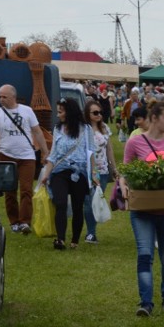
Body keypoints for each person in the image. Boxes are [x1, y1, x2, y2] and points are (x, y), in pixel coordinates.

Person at [119, 101, 164, 316]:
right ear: (155, 118)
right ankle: (145, 302)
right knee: (145, 254)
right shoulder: (135, 142)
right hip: (143, 211)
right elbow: (126, 171)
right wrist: (122, 185)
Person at [0, 84, 50, 234]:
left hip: (27, 156)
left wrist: (45, 152)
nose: (2, 100)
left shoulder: (27, 111)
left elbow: (37, 132)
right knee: (9, 191)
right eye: (0, 97)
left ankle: (25, 222)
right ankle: (14, 221)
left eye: (5, 97)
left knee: (26, 190)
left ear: (13, 97)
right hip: (6, 156)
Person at [38, 98, 97, 250]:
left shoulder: (86, 129)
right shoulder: (58, 129)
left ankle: (75, 240)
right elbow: (54, 155)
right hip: (60, 171)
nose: (58, 115)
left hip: (79, 172)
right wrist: (46, 174)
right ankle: (60, 239)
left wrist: (94, 174)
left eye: (61, 112)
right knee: (61, 203)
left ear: (69, 112)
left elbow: (91, 153)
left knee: (78, 207)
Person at [82, 100, 118, 244]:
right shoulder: (83, 129)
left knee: (95, 200)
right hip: (86, 170)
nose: (99, 115)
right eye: (95, 113)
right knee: (87, 202)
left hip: (102, 171)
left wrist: (114, 168)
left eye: (100, 112)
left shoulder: (104, 128)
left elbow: (109, 149)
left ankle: (91, 232)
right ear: (88, 114)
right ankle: (90, 233)